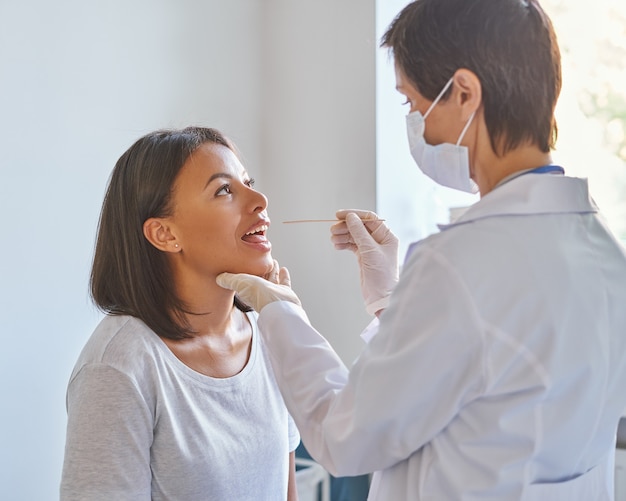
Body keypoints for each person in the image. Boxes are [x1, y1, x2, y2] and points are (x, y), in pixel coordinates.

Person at [216, 0, 626, 499]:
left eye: (413, 105)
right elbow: (488, 381)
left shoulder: (463, 261)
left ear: (464, 93)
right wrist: (392, 298)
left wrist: (282, 315)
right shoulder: (602, 251)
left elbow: (346, 438)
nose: (419, 126)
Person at [60, 127, 300, 501]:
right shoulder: (118, 367)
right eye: (224, 190)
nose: (260, 199)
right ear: (164, 234)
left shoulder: (270, 333)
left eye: (248, 182)